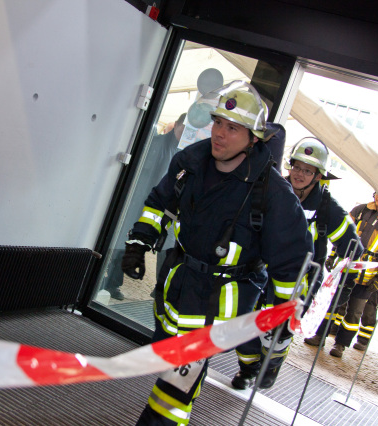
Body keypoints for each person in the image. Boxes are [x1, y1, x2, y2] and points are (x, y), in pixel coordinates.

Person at [122, 81, 313, 425]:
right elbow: (159, 204)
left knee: (175, 389)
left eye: (233, 128)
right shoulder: (189, 163)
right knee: (169, 368)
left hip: (214, 305)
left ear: (254, 137)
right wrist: (138, 242)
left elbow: (291, 264)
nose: (219, 134)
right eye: (218, 123)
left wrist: (280, 320)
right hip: (175, 289)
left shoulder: (273, 194)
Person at [231, 138, 364, 390]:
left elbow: (352, 247)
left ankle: (271, 364)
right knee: (246, 321)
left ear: (318, 176)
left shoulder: (328, 209)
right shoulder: (273, 190)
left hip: (300, 283)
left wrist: (343, 279)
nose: (300, 174)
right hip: (262, 274)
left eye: (308, 170)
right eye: (297, 167)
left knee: (279, 332)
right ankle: (248, 368)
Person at [104, 113, 186, 301]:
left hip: (161, 208)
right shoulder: (158, 145)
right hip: (144, 204)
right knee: (128, 241)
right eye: (185, 128)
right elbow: (144, 179)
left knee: (165, 246)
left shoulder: (181, 153)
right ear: (177, 125)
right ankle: (110, 283)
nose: (186, 133)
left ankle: (159, 287)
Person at [327, 192, 378, 358]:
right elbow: (343, 235)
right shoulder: (360, 210)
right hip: (347, 269)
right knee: (332, 305)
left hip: (367, 277)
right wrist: (332, 255)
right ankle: (320, 335)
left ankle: (340, 345)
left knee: (354, 313)